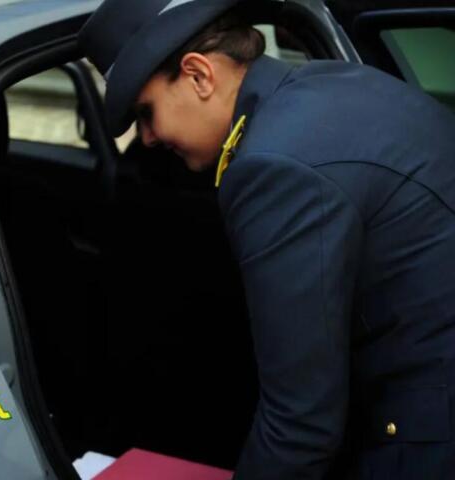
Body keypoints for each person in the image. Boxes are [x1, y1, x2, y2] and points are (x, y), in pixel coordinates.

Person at [79, 1, 455, 479]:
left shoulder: (271, 167)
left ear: (198, 75)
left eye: (145, 112)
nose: (148, 138)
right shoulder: (335, 84)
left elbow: (301, 423)